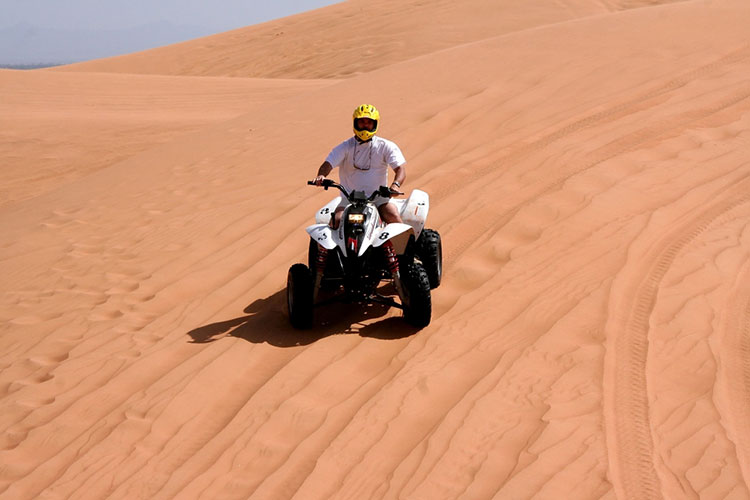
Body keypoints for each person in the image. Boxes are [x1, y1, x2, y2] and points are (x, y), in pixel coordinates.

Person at [313, 104, 406, 229]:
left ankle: (408, 248)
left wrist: (395, 185)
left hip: (378, 199)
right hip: (349, 200)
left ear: (375, 124)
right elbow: (328, 163)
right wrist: (321, 175)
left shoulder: (385, 146)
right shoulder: (345, 146)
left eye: (369, 122)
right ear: (355, 123)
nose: (365, 125)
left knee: (393, 217)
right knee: (335, 221)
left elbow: (400, 169)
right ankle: (325, 250)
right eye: (361, 122)